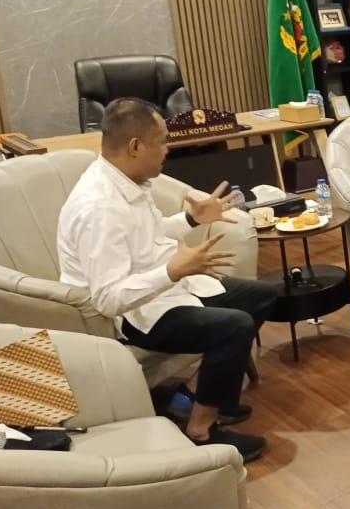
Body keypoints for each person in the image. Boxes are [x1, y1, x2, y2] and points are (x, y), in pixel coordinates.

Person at [57, 98, 277, 462]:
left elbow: (147, 232)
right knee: (234, 326)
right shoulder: (99, 208)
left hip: (163, 291)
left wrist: (191, 219)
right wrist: (174, 271)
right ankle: (201, 431)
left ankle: (214, 400)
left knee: (260, 296)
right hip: (132, 316)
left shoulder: (124, 180)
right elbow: (108, 299)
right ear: (135, 146)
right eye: (162, 141)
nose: (167, 149)